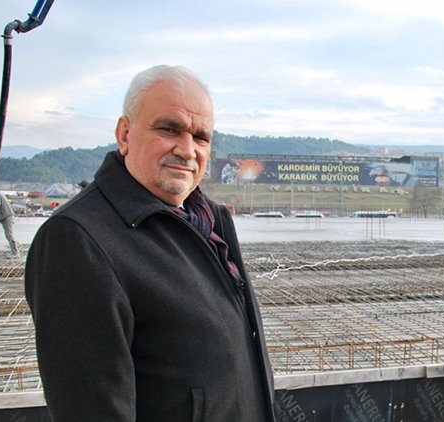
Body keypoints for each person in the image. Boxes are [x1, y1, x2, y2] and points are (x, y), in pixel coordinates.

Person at [25, 65, 275, 421]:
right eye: (169, 129)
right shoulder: (78, 239)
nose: (187, 150)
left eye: (201, 137)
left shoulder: (211, 221)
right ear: (125, 134)